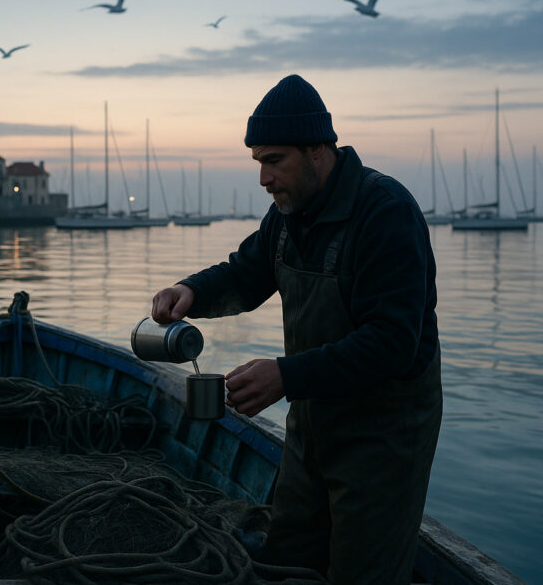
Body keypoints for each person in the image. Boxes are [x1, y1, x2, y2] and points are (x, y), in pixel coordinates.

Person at [151, 74, 442, 584]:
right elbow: (246, 272)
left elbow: (393, 345)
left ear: (316, 150)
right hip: (311, 427)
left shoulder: (385, 213)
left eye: (273, 160)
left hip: (383, 438)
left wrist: (285, 377)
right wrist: (191, 292)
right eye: (258, 162)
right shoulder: (286, 216)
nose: (263, 177)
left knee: (362, 572)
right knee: (288, 558)